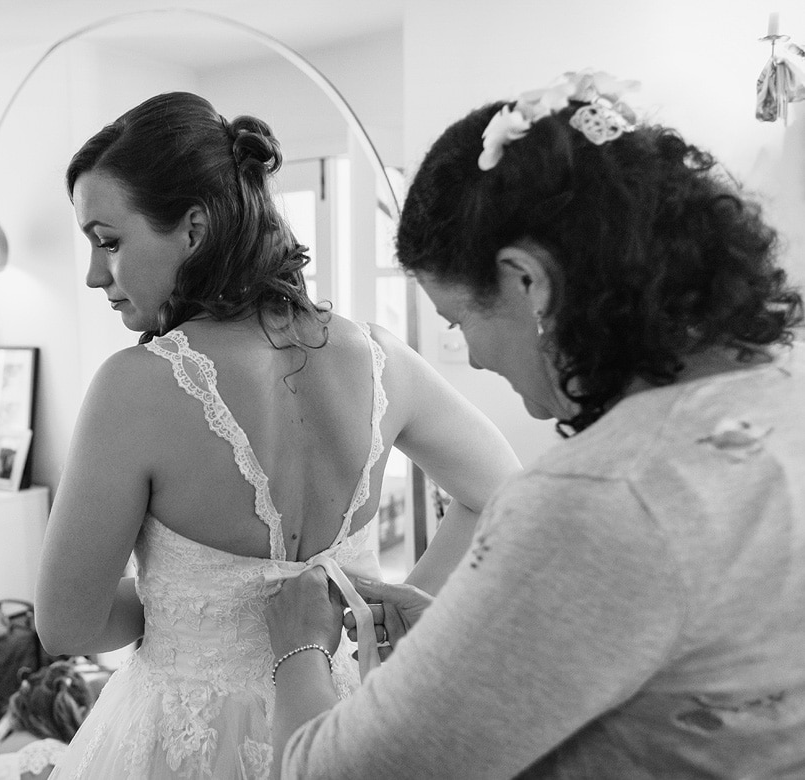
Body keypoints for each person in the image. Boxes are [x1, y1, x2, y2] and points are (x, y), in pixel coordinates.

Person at [265, 69, 805, 778]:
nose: (476, 359)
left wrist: (297, 650)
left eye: (459, 321)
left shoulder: (597, 496)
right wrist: (478, 644)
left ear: (527, 280)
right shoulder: (780, 401)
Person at [35, 91, 521, 779]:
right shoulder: (382, 359)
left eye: (108, 241)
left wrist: (185, 606)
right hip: (343, 715)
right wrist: (397, 609)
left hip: (181, 741)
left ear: (195, 229)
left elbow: (67, 627)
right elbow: (499, 490)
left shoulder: (134, 387)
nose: (93, 275)